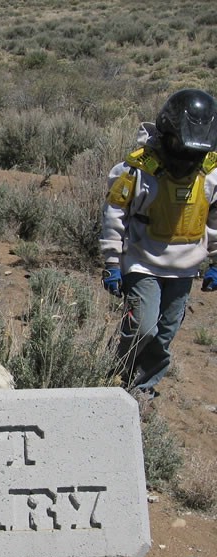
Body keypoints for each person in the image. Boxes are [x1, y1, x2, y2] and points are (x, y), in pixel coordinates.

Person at [100, 88, 217, 397]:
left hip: (185, 269)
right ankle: (118, 375)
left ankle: (142, 390)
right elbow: (115, 216)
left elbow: (215, 219)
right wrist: (113, 263)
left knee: (164, 335)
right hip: (142, 263)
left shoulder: (211, 173)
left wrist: (216, 261)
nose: (188, 158)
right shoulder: (137, 170)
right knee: (143, 327)